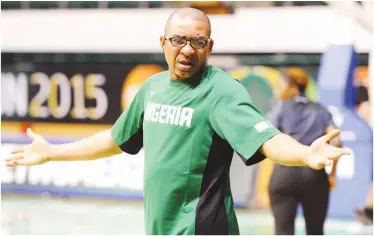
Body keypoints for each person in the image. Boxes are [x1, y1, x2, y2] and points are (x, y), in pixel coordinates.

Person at [5, 8, 351, 235]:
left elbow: (266, 138)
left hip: (203, 228)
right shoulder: (152, 88)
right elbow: (113, 139)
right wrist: (52, 151)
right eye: (179, 40)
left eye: (198, 42)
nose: (188, 49)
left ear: (209, 47)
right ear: (163, 43)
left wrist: (305, 154)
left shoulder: (222, 91)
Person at [268, 67, 342, 235]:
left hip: (284, 174)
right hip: (315, 175)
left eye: (280, 84)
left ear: (292, 86)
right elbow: (336, 141)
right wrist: (331, 175)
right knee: (315, 231)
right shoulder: (320, 109)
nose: (277, 88)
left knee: (283, 231)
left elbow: (268, 137)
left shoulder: (280, 107)